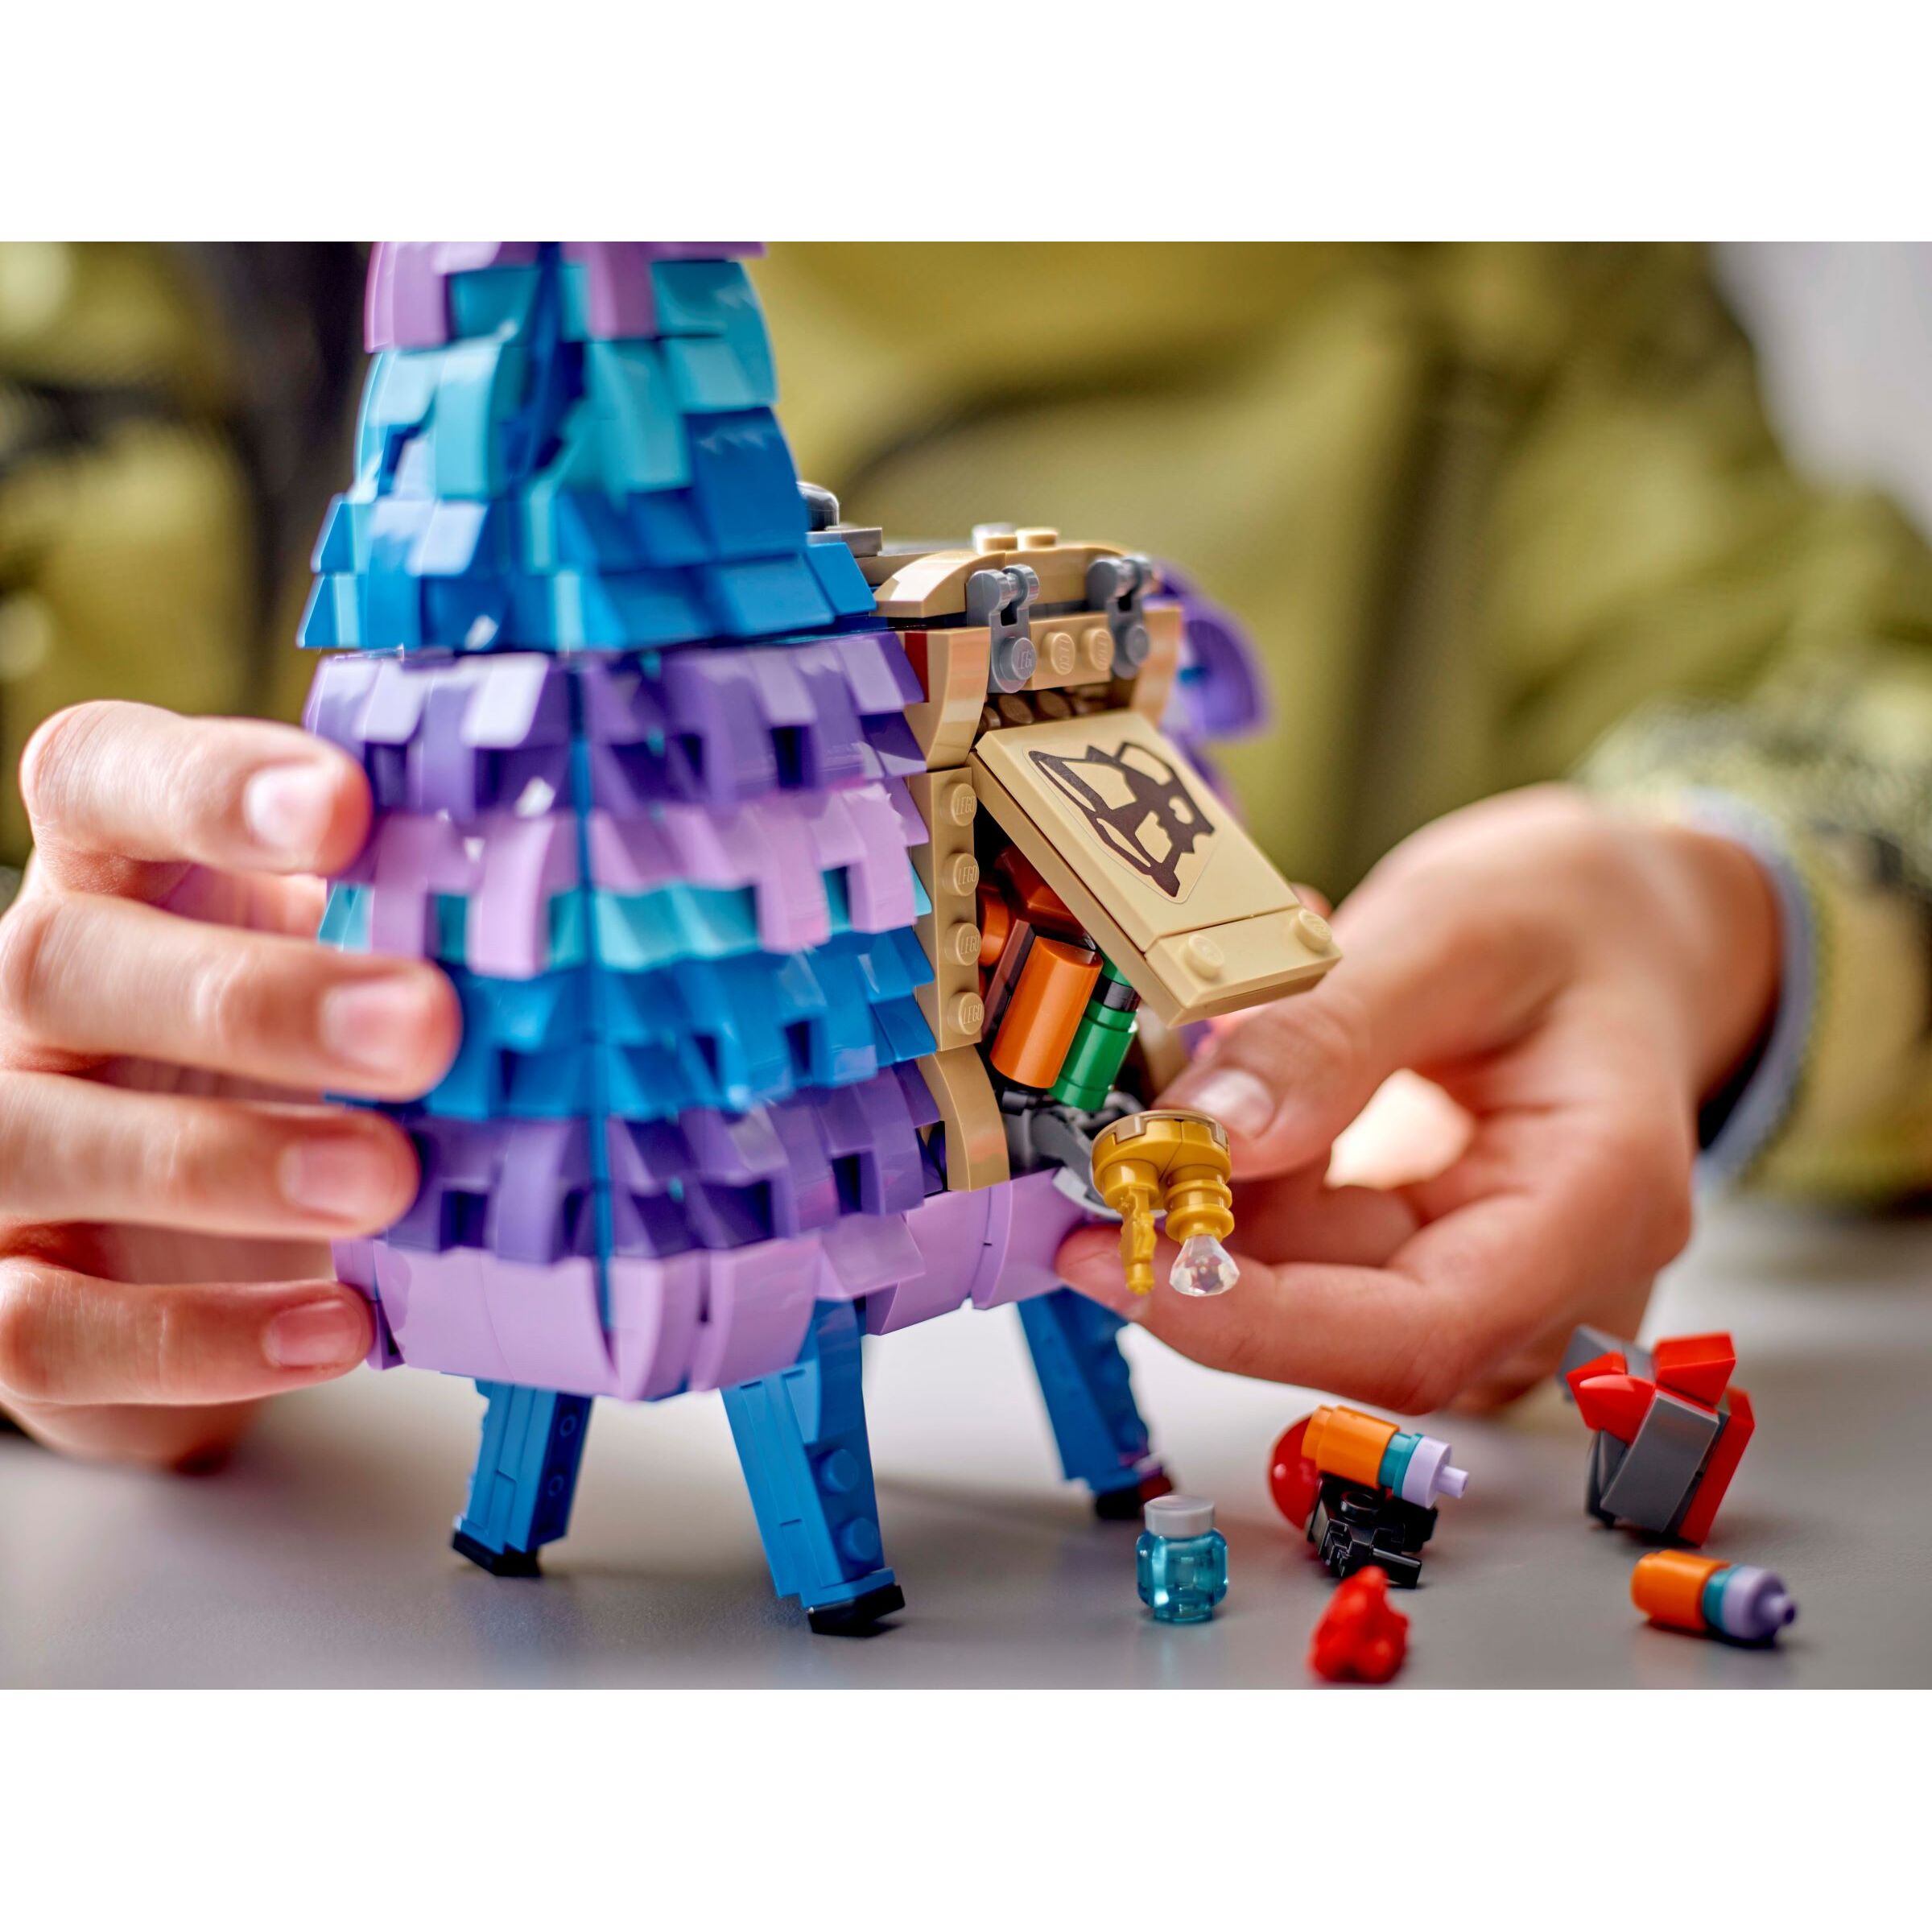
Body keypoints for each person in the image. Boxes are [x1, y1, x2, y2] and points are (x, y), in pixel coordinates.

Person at [0, 242, 1926, 1468]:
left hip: (1028, 1199)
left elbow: (1839, 681)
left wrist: (1725, 908)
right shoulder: (143, 289)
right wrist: (88, 1139)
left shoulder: (1517, 268)